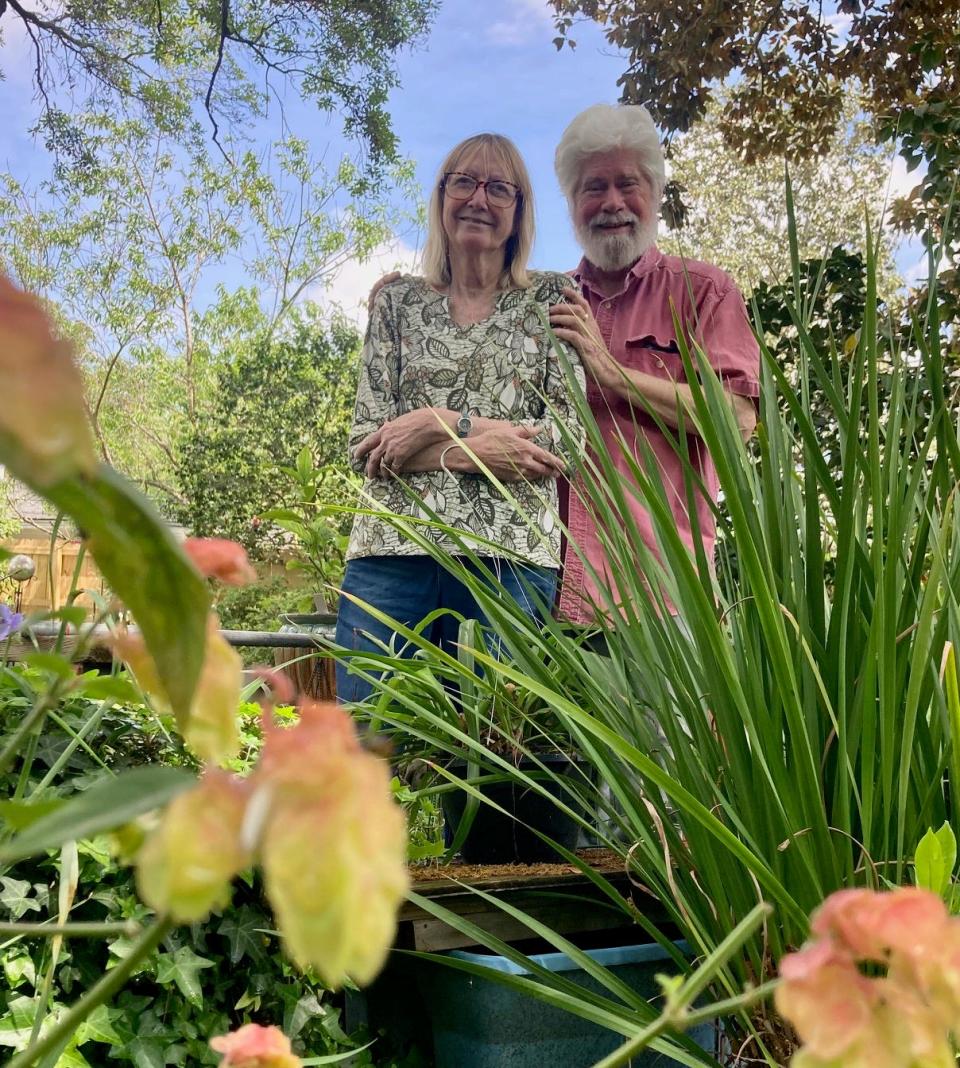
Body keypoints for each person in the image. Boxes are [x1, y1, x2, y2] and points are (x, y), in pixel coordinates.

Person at [335, 133, 585, 704]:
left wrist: (437, 422)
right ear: (441, 196)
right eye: (464, 182)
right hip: (390, 554)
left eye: (500, 188)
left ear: (519, 210)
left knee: (492, 755)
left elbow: (565, 441)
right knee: (370, 746)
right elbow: (366, 445)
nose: (479, 198)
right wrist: (485, 447)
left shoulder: (552, 298)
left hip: (509, 557)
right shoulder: (396, 303)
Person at [545, 104, 760, 623]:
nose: (611, 202)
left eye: (628, 183)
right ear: (573, 203)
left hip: (661, 601)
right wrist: (415, 295)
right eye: (593, 187)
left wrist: (611, 371)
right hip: (543, 594)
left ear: (655, 194)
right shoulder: (545, 300)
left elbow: (737, 419)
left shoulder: (704, 292)